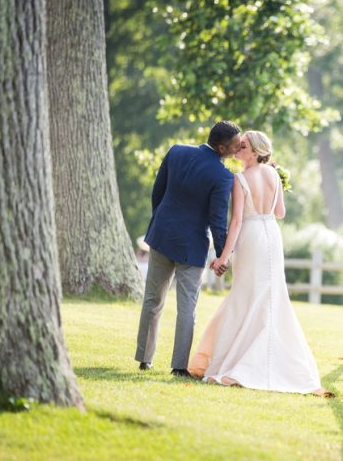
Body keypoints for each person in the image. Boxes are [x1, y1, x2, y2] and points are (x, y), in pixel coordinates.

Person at [188, 131, 330, 396]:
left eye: (242, 146)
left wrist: (224, 256)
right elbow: (280, 213)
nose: (236, 149)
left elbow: (237, 221)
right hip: (271, 236)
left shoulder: (239, 179)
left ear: (254, 152)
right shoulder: (275, 175)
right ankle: (270, 361)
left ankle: (238, 362)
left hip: (251, 238)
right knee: (271, 296)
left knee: (245, 294)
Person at [135, 121, 241, 376]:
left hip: (162, 235)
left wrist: (161, 220)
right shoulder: (223, 176)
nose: (239, 149)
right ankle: (179, 366)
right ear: (221, 147)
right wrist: (222, 253)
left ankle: (144, 358)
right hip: (192, 246)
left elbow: (157, 192)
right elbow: (217, 220)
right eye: (236, 146)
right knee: (187, 308)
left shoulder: (177, 151)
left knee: (152, 300)